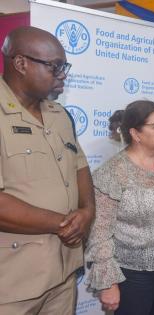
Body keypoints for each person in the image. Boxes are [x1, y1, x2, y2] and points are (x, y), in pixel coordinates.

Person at [0, 26, 95, 314]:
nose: (63, 75)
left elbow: (79, 167)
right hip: (13, 285)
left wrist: (88, 211)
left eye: (64, 66)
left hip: (63, 275)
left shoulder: (60, 115)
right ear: (20, 64)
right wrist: (64, 223)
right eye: (55, 67)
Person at [85, 100, 154, 315]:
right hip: (132, 274)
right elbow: (99, 233)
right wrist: (108, 283)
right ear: (136, 133)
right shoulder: (112, 173)